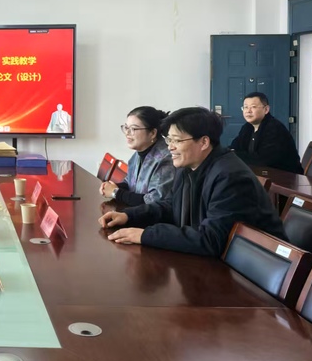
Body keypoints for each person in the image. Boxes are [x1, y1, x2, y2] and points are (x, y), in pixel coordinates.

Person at [99, 107, 287, 257]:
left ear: (204, 142)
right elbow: (171, 205)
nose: (170, 147)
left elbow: (211, 239)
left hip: (253, 270)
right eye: (169, 140)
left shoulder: (230, 177)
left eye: (177, 141)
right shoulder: (188, 166)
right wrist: (129, 216)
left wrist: (145, 235)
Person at [100, 106, 176, 205]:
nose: (127, 133)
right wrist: (111, 187)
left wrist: (116, 192)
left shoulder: (166, 158)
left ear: (152, 133)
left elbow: (154, 201)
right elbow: (130, 184)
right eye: (126, 127)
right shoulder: (138, 153)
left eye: (134, 128)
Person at [229, 92, 303, 174]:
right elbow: (235, 147)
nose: (248, 111)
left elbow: (263, 160)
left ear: (266, 109)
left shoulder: (274, 128)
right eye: (245, 107)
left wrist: (234, 154)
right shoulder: (247, 127)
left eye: (253, 107)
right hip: (260, 173)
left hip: (285, 176)